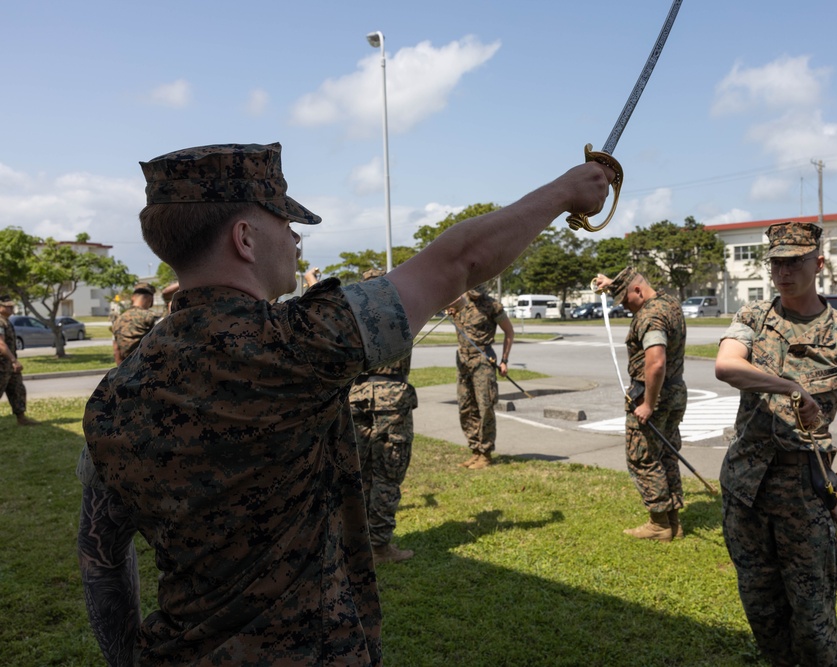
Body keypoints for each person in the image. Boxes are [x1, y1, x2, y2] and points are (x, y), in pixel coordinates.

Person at [77, 141, 613, 665]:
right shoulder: (296, 343)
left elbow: (101, 554)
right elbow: (460, 262)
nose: (294, 239)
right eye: (284, 224)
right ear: (244, 238)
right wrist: (566, 191)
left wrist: (126, 655)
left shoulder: (116, 393)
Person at [714, 221, 837, 666]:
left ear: (818, 263)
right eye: (776, 264)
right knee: (760, 599)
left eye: (794, 262)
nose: (783, 273)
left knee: (812, 604)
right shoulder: (753, 318)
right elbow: (726, 367)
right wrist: (790, 387)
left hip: (807, 486)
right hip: (746, 484)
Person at [309, 268, 418, 565]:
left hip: (355, 398)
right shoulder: (399, 310)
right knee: (387, 474)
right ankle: (380, 546)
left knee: (358, 473)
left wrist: (313, 282)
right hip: (390, 400)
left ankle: (354, 543)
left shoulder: (349, 316)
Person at [592, 268, 686, 541]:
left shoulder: (650, 316)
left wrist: (647, 404)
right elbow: (630, 288)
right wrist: (611, 285)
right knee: (666, 455)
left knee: (642, 458)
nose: (623, 306)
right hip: (675, 391)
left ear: (638, 291)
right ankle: (673, 522)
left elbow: (655, 363)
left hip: (653, 394)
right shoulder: (668, 302)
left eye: (625, 301)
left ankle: (659, 524)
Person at [445, 288, 515, 470]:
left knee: (485, 407)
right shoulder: (458, 302)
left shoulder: (492, 306)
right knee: (466, 406)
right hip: (463, 360)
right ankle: (475, 449)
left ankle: (485, 453)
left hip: (482, 359)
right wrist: (450, 310)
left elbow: (509, 332)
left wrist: (504, 360)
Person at [0, 297, 39, 426]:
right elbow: (1, 344)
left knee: (17, 389)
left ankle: (21, 418)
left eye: (12, 306)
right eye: (7, 306)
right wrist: (13, 360)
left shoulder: (7, 321)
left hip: (9, 365)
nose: (11, 308)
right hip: (2, 365)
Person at [111, 282, 158, 365]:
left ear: (133, 298)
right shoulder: (150, 317)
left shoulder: (119, 319)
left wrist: (122, 372)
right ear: (150, 299)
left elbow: (116, 350)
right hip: (148, 370)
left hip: (127, 369)